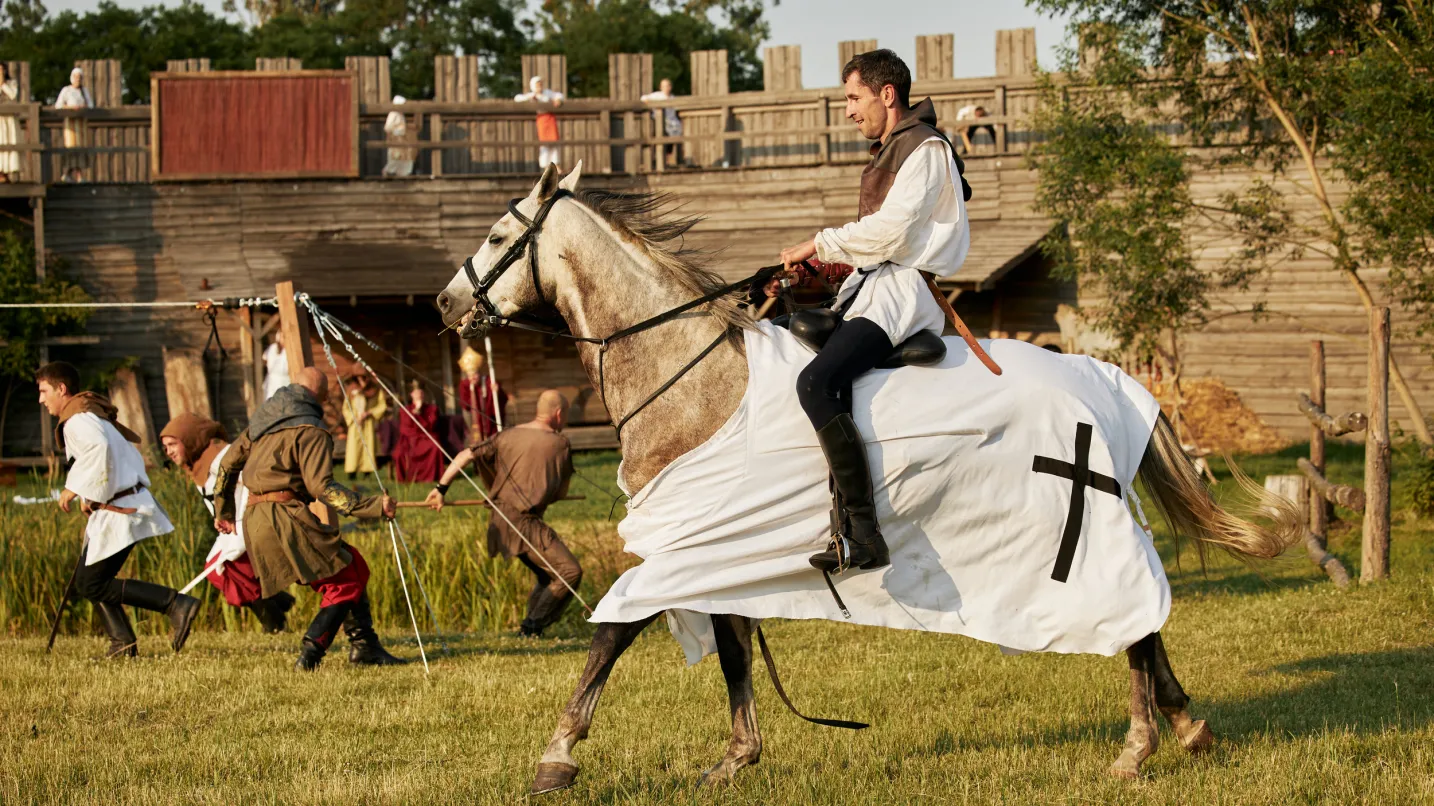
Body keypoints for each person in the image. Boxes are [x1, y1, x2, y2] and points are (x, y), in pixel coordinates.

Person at [775, 49, 971, 574]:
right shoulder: (897, 147)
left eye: (853, 98)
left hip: (903, 296)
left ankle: (864, 533)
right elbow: (878, 244)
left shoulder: (925, 150)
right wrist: (822, 272)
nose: (849, 111)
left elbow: (892, 234)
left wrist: (817, 244)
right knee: (778, 333)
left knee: (816, 384)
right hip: (875, 287)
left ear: (887, 95)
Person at [212, 367, 404, 670]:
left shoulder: (260, 426)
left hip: (253, 518)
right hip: (283, 517)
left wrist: (222, 511)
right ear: (321, 396)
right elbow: (321, 487)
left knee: (351, 563)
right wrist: (373, 506)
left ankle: (365, 646)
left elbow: (226, 464)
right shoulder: (311, 429)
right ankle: (311, 654)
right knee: (345, 580)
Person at [38, 361, 200, 658]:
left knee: (91, 583)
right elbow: (111, 455)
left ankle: (175, 604)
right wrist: (92, 496)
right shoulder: (87, 415)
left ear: (61, 389)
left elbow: (99, 449)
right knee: (91, 582)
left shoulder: (77, 420)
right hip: (118, 505)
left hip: (122, 509)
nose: (41, 398)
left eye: (44, 390)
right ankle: (122, 643)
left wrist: (74, 487)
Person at [426, 389, 581, 638]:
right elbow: (558, 491)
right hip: (524, 521)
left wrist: (440, 488)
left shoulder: (507, 435)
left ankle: (532, 628)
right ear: (559, 413)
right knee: (569, 571)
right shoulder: (559, 443)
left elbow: (466, 454)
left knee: (546, 574)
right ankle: (531, 627)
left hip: (500, 518)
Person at [159, 412, 295, 633]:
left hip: (247, 523)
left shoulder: (223, 457)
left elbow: (254, 481)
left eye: (173, 444)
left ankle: (275, 620)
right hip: (230, 530)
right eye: (165, 447)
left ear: (191, 439)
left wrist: (244, 518)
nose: (169, 451)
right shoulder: (198, 463)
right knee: (221, 571)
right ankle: (278, 603)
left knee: (226, 570)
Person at [393, 381, 442, 483]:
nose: (419, 395)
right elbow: (406, 428)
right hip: (409, 439)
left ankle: (430, 477)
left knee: (435, 447)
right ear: (411, 395)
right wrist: (414, 413)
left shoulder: (431, 409)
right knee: (400, 453)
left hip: (425, 438)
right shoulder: (405, 410)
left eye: (421, 393)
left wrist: (419, 414)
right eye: (416, 393)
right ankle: (406, 479)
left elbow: (431, 425)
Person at [457, 346, 507, 442]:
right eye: (470, 375)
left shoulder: (488, 381)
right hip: (476, 422)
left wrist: (497, 391)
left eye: (475, 374)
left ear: (479, 373)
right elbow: (465, 405)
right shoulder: (465, 385)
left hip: (491, 421)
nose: (473, 378)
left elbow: (502, 400)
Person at [514, 75, 564, 170]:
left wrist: (558, 100)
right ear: (533, 86)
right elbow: (517, 98)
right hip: (541, 119)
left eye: (540, 84)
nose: (539, 86)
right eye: (537, 85)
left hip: (550, 118)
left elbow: (559, 95)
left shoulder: (547, 93)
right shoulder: (532, 95)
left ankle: (556, 165)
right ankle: (546, 166)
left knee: (554, 142)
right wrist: (532, 97)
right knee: (544, 143)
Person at [342, 373, 386, 477]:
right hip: (355, 423)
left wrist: (370, 412)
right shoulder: (351, 391)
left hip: (368, 422)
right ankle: (352, 472)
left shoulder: (375, 390)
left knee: (368, 446)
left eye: (364, 378)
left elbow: (382, 405)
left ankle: (367, 472)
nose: (362, 381)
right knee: (354, 447)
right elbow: (345, 408)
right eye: (359, 378)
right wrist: (354, 418)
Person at [55, 66, 92, 183]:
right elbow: (58, 105)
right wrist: (70, 108)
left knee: (81, 147)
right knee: (71, 147)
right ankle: (69, 174)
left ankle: (78, 175)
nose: (78, 79)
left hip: (81, 123)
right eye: (76, 77)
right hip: (70, 123)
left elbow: (91, 105)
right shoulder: (66, 90)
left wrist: (82, 108)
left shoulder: (84, 91)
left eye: (80, 77)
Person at [640, 78, 683, 167]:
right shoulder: (657, 96)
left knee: (673, 139)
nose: (666, 88)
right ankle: (658, 161)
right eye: (664, 86)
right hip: (660, 122)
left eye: (667, 86)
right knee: (660, 140)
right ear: (661, 87)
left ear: (670, 87)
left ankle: (671, 161)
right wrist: (650, 104)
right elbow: (643, 98)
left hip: (672, 124)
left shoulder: (672, 97)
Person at [382, 95, 414, 177]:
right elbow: (388, 127)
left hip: (402, 139)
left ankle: (403, 173)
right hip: (395, 139)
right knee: (395, 157)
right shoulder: (393, 114)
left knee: (406, 156)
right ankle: (388, 171)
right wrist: (398, 129)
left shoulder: (401, 115)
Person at [0, 64, 20, 181]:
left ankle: (6, 173)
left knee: (9, 143)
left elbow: (13, 95)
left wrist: (3, 84)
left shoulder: (12, 83)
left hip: (9, 119)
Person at [262, 331, 289, 400]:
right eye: (282, 337)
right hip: (272, 380)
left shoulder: (288, 349)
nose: (284, 339)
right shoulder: (273, 347)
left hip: (285, 380)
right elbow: (264, 358)